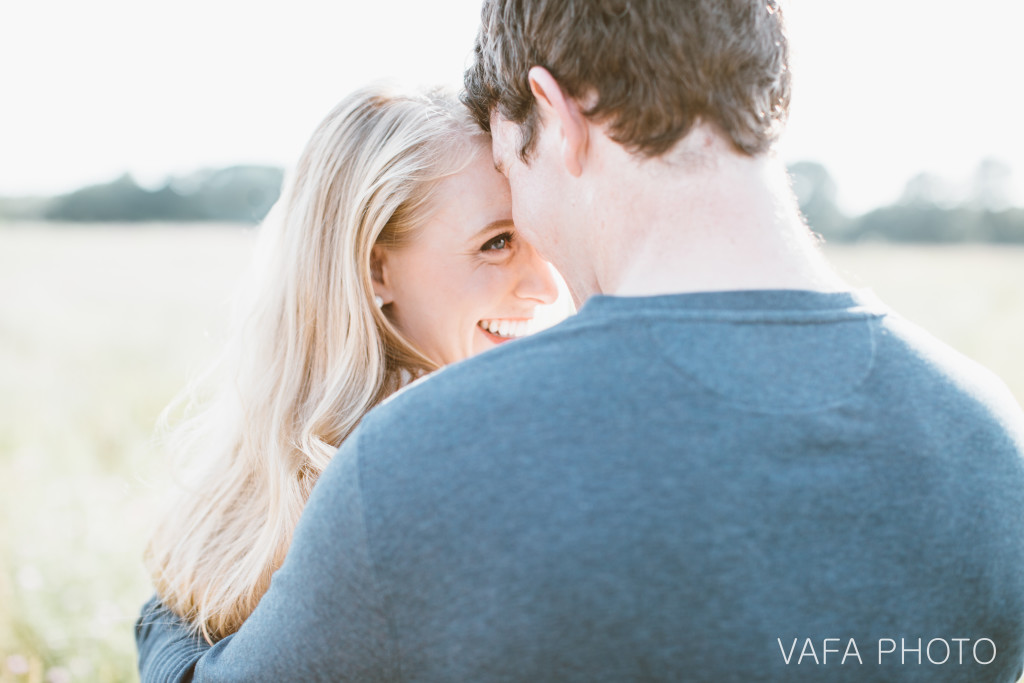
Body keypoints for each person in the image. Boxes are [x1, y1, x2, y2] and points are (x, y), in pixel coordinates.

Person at [137, 1, 1024, 680]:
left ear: (553, 116)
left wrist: (166, 617)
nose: (541, 263)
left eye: (514, 177)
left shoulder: (426, 458)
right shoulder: (990, 442)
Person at [135, 83, 559, 677]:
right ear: (375, 268)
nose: (546, 286)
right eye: (497, 243)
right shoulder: (409, 472)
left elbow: (163, 622)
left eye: (537, 238)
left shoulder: (263, 473)